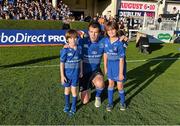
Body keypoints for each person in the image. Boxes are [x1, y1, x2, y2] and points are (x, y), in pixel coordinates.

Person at [78, 21, 105, 107]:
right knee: (84, 101)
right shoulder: (82, 41)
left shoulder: (104, 41)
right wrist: (66, 45)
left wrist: (123, 38)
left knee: (100, 83)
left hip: (95, 71)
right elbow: (71, 43)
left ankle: (98, 97)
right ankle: (87, 87)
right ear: (88, 32)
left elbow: (114, 39)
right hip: (84, 73)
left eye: (96, 32)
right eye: (91, 32)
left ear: (99, 33)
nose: (93, 35)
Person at [103, 21, 126, 111]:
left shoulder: (120, 43)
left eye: (113, 29)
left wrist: (120, 73)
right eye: (109, 30)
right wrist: (105, 67)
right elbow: (105, 54)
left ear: (116, 30)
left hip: (118, 66)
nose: (111, 32)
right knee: (111, 84)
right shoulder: (105, 41)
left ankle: (122, 102)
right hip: (110, 66)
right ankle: (110, 103)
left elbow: (121, 59)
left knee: (120, 86)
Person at [60, 29, 83, 116]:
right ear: (67, 40)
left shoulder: (79, 49)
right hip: (67, 75)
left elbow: (80, 60)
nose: (73, 40)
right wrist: (62, 76)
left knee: (74, 91)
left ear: (77, 39)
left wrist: (81, 71)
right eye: (71, 38)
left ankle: (73, 106)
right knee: (67, 90)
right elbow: (62, 63)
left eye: (75, 38)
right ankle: (67, 105)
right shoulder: (65, 50)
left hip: (75, 74)